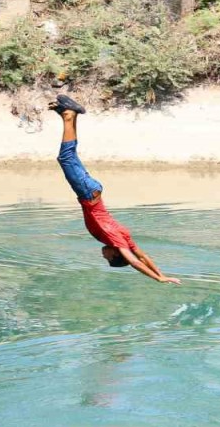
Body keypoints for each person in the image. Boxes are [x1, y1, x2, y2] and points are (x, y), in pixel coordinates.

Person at [50, 94, 181, 285]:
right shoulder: (116, 240)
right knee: (66, 158)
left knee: (70, 157)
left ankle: (69, 115)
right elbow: (136, 261)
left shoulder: (125, 239)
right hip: (87, 192)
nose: (104, 256)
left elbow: (143, 255)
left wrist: (162, 275)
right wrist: (158, 278)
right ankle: (69, 116)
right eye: (108, 258)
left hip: (91, 191)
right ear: (115, 254)